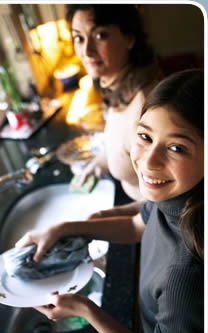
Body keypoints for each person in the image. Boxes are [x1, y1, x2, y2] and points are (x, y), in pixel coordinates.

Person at [16, 69, 204, 333]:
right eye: (145, 136)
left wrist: (87, 311)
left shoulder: (185, 277)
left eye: (176, 147)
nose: (149, 160)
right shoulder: (182, 199)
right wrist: (66, 228)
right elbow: (137, 225)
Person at [65, 4, 160, 209]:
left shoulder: (146, 106)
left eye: (100, 35)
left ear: (129, 38)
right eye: (79, 38)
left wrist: (106, 220)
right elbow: (123, 145)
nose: (86, 51)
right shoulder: (117, 88)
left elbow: (165, 203)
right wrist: (100, 162)